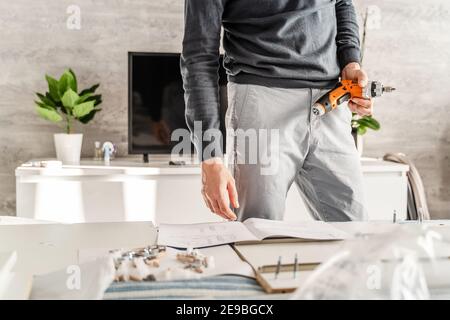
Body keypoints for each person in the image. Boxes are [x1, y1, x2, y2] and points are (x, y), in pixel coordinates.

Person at [181, 0, 372, 222]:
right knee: (258, 233)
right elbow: (198, 57)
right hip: (261, 103)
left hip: (331, 100)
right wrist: (210, 156)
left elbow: (342, 3)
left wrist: (351, 61)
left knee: (357, 234)